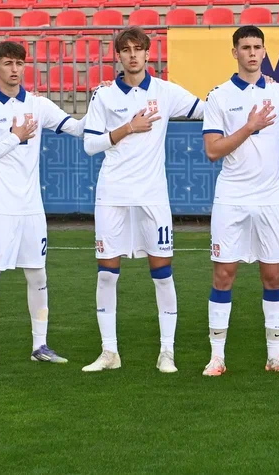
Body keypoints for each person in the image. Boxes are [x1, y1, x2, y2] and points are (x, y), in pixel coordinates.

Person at [80, 26, 204, 374]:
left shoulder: (165, 92)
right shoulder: (103, 97)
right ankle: (109, 352)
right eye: (126, 49)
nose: (133, 55)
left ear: (149, 54)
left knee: (162, 275)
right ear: (117, 56)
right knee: (107, 274)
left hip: (152, 196)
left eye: (139, 49)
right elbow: (90, 144)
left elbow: (207, 109)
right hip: (113, 195)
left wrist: (257, 91)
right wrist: (127, 128)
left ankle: (167, 352)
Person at [199, 26, 279, 376]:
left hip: (269, 198)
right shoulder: (218, 97)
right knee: (224, 274)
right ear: (234, 52)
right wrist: (248, 127)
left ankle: (275, 357)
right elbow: (212, 151)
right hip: (232, 196)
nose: (251, 53)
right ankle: (216, 356)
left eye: (257, 47)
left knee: (274, 275)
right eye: (245, 47)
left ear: (265, 52)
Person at [0, 41, 85, 369]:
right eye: (8, 63)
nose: (15, 69)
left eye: (20, 63)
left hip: (32, 209)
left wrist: (103, 105)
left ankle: (40, 344)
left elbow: (77, 128)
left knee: (38, 276)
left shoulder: (38, 105)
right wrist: (13, 138)